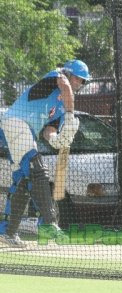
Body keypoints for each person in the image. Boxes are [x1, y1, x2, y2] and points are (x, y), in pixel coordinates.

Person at [0, 59, 89, 247]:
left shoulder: (61, 107)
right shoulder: (55, 77)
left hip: (27, 132)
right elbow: (65, 86)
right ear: (69, 74)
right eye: (79, 79)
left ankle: (7, 231)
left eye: (83, 81)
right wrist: (71, 115)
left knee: (24, 180)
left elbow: (49, 130)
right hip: (15, 122)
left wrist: (55, 140)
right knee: (38, 169)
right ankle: (49, 224)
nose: (80, 84)